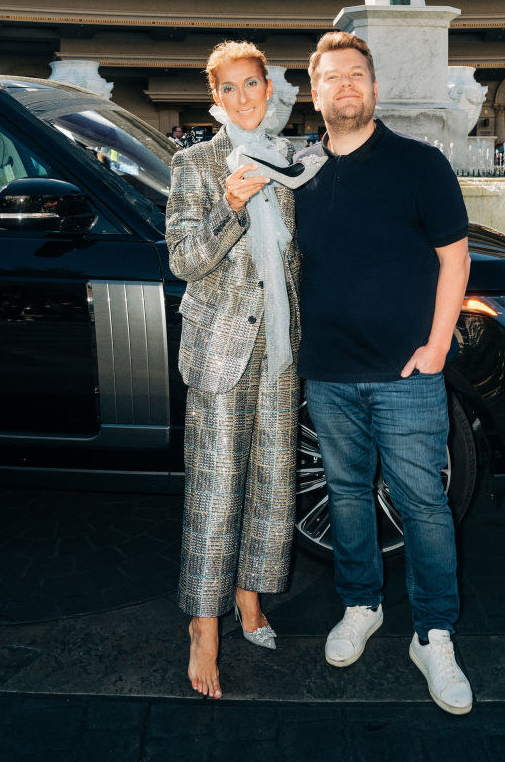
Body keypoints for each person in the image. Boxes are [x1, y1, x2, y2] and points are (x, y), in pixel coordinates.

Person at [294, 30, 474, 715]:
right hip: (328, 373)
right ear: (315, 93)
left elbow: (454, 260)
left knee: (423, 507)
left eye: (355, 75)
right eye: (331, 76)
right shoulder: (301, 173)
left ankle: (432, 634)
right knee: (345, 497)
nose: (344, 85)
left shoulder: (418, 164)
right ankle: (361, 605)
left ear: (372, 88)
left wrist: (434, 349)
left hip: (406, 375)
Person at [165, 41, 304, 700]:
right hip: (221, 345)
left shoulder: (292, 161)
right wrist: (230, 204)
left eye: (253, 85)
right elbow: (184, 260)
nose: (244, 97)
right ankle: (203, 626)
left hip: (280, 347)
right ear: (213, 98)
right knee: (216, 493)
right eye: (231, 89)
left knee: (272, 487)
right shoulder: (193, 163)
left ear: (268, 89)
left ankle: (249, 597)